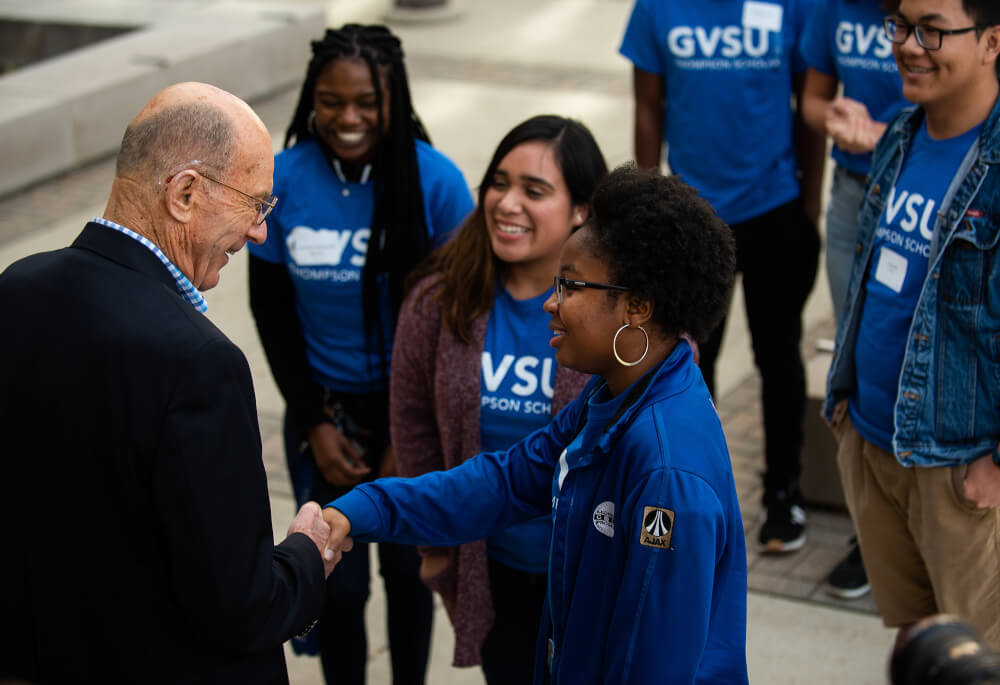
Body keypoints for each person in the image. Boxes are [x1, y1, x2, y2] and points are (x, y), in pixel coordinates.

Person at [322, 164, 748, 684]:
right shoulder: (612, 396)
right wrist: (361, 510)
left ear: (636, 306)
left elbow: (653, 664)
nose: (551, 303)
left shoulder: (666, 471)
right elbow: (502, 482)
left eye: (569, 286)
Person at [0, 82, 340, 684]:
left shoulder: (16, 288)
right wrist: (306, 558)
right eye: (256, 205)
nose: (260, 232)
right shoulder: (199, 362)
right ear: (184, 193)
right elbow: (238, 606)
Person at [247, 24, 474, 685]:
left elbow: (452, 325)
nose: (348, 118)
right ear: (311, 100)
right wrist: (314, 421)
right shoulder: (281, 180)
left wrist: (413, 431)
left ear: (393, 99)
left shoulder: (437, 183)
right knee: (335, 583)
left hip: (411, 406)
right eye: (330, 100)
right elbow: (272, 310)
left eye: (366, 101)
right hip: (323, 408)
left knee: (408, 573)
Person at [391, 115, 605, 681]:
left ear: (582, 210)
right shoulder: (438, 300)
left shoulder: (623, 312)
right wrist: (432, 533)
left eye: (534, 191)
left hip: (593, 571)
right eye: (498, 183)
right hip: (494, 569)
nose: (507, 203)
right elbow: (412, 422)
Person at [825, 0, 1000, 650]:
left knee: (972, 660)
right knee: (915, 643)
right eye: (900, 25)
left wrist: (994, 466)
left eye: (933, 29)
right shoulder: (900, 134)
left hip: (956, 467)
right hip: (873, 443)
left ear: (991, 42)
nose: (907, 44)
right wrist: (847, 407)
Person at [620, 0, 825, 554]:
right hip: (692, 218)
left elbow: (808, 105)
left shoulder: (794, 6)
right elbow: (647, 106)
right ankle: (686, 495)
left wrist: (809, 202)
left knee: (778, 357)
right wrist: (647, 200)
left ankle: (783, 493)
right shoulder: (657, 9)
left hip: (774, 208)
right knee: (685, 364)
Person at [800, 0, 908, 600]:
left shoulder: (944, 13)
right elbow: (813, 99)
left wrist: (895, 134)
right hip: (850, 196)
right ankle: (870, 538)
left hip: (921, 194)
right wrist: (832, 117)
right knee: (856, 362)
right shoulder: (830, 8)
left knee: (906, 358)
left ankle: (918, 527)